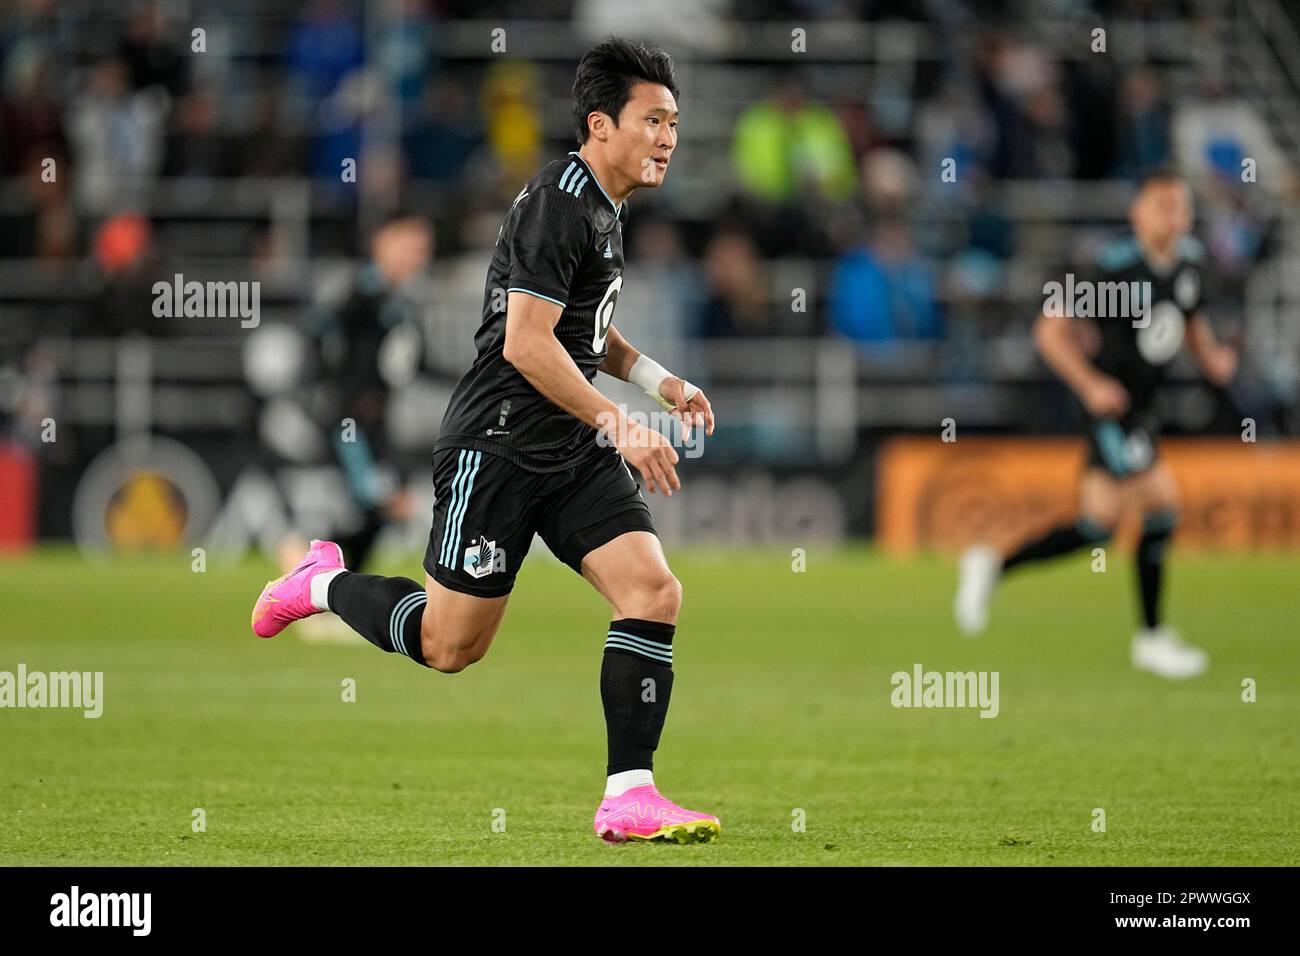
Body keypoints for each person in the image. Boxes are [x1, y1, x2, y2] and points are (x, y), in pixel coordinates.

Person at [251, 38, 720, 843]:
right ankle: (322, 583)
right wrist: (621, 421)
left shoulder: (605, 208)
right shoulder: (556, 202)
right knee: (449, 646)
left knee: (652, 591)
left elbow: (585, 330)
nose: (668, 137)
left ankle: (629, 793)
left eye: (674, 121)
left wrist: (658, 382)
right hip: (497, 444)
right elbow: (526, 344)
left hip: (567, 447)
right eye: (653, 120)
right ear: (600, 124)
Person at [954, 168, 1238, 679]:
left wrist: (1212, 358)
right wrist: (1089, 386)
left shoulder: (1191, 265)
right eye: (1162, 206)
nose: (1174, 217)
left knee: (1097, 525)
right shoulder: (1114, 270)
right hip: (1111, 408)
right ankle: (1151, 637)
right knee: (1162, 502)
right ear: (1137, 213)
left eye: (1182, 207)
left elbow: (1189, 319)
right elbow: (1049, 332)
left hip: (1145, 408)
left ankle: (992, 566)